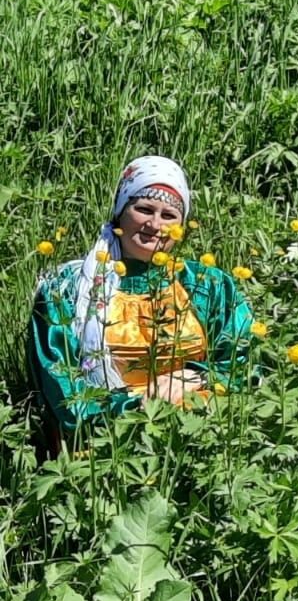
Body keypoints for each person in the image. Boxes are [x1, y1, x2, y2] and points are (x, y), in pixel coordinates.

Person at [28, 156, 254, 443]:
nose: (155, 224)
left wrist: (194, 377)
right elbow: (61, 387)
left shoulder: (207, 285)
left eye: (169, 215)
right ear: (120, 211)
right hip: (105, 443)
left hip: (202, 432)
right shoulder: (69, 289)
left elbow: (243, 360)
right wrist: (138, 408)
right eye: (144, 209)